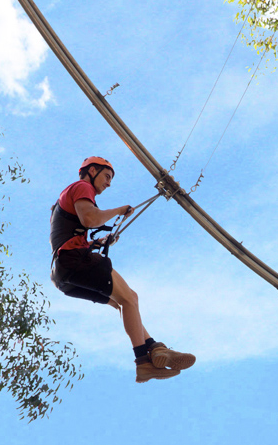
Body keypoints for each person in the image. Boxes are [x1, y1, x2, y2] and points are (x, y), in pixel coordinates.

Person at [50, 156, 195, 383]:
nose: (109, 183)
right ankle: (144, 362)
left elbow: (72, 235)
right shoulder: (81, 187)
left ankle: (156, 348)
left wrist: (96, 243)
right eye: (107, 176)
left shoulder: (67, 200)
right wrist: (119, 210)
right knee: (130, 298)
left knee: (121, 303)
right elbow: (89, 218)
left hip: (63, 276)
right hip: (73, 261)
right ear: (92, 170)